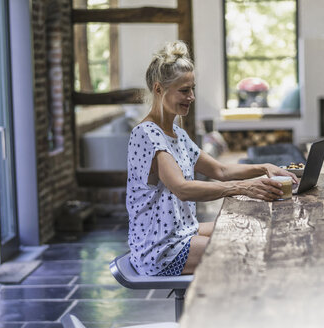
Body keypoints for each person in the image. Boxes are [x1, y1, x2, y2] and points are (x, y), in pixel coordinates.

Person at [126, 40, 297, 276]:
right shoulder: (146, 133)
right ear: (158, 89)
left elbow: (220, 171)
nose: (192, 96)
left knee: (250, 230)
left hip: (182, 232)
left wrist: (265, 167)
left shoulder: (177, 134)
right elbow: (182, 188)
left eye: (192, 89)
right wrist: (243, 188)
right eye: (184, 90)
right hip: (160, 248)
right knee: (246, 250)